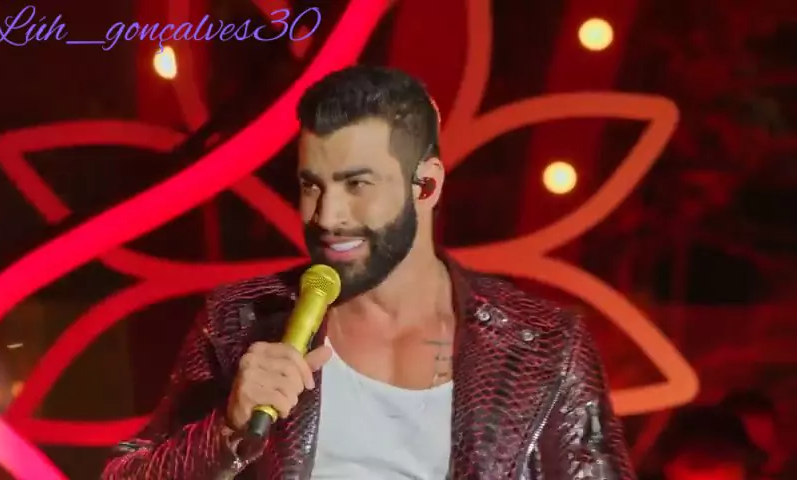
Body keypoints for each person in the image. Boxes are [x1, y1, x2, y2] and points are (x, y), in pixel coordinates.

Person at [101, 65, 634, 479]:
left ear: (426, 185)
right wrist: (226, 431)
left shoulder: (545, 347)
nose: (327, 216)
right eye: (312, 185)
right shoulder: (241, 319)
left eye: (357, 185)